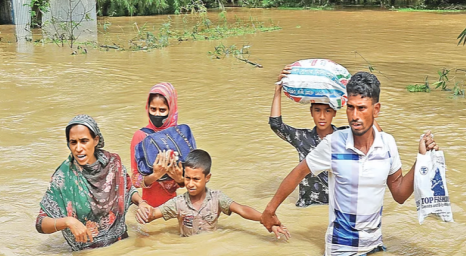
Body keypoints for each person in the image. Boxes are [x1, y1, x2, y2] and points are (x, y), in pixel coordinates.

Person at [261, 72, 438, 256]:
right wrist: (269, 211)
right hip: (343, 252)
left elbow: (400, 194)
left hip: (375, 246)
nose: (354, 116)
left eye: (361, 108)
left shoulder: (387, 144)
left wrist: (422, 158)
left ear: (376, 110)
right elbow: (298, 173)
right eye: (350, 108)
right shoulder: (333, 144)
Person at [35, 115, 153, 251]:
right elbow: (41, 223)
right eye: (73, 142)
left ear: (95, 140)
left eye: (84, 141)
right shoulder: (62, 177)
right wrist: (68, 222)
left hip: (122, 247)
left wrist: (141, 203)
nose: (78, 148)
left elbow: (127, 188)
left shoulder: (113, 163)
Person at [136, 149, 290, 239]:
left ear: (207, 178)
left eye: (196, 179)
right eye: (187, 178)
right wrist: (144, 211)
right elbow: (153, 214)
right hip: (187, 249)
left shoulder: (217, 199)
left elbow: (242, 210)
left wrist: (265, 219)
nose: (190, 184)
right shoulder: (179, 203)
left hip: (212, 244)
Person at [270, 64, 347, 207]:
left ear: (335, 113)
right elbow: (276, 125)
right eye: (317, 111)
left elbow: (371, 130)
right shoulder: (302, 138)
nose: (322, 116)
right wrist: (278, 90)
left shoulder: (344, 136)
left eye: (328, 111)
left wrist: (351, 94)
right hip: (307, 205)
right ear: (311, 113)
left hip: (336, 207)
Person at [130, 83, 185, 207]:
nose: (157, 114)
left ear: (171, 109)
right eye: (153, 109)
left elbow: (190, 181)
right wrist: (155, 175)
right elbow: (135, 180)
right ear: (147, 108)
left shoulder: (179, 137)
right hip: (148, 210)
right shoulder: (141, 136)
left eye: (162, 110)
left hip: (174, 209)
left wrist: (179, 179)